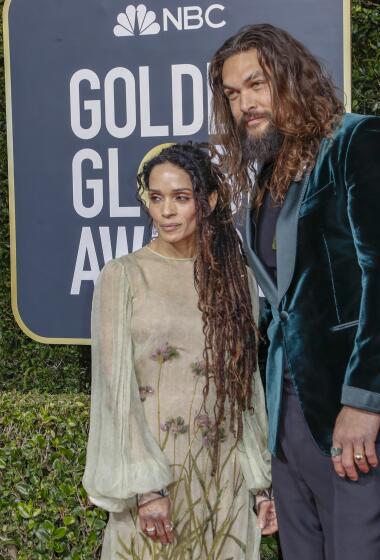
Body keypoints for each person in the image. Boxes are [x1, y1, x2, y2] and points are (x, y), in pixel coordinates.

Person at [209, 24, 380, 559]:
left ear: (291, 77)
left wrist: (364, 400)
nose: (245, 104)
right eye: (233, 94)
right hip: (290, 423)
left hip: (355, 414)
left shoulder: (360, 141)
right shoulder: (267, 175)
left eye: (256, 84)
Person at [82, 143, 277, 560]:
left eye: (181, 198)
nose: (166, 211)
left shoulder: (237, 279)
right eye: (156, 198)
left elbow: (246, 390)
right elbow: (116, 393)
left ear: (207, 202)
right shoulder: (124, 277)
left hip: (224, 481)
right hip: (155, 486)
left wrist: (261, 486)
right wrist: (146, 489)